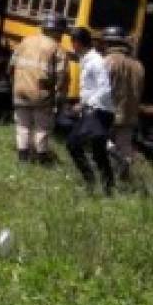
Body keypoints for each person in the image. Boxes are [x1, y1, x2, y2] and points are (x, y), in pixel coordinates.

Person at [7, 13, 68, 164]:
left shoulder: (25, 41)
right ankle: (42, 159)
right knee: (42, 126)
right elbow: (62, 76)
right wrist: (58, 94)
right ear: (57, 31)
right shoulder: (57, 49)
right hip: (42, 93)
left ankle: (23, 158)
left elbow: (11, 66)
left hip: (19, 90)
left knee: (22, 125)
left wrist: (15, 83)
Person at [66, 27, 115, 195]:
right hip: (96, 110)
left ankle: (90, 181)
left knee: (73, 143)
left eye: (73, 43)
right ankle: (108, 187)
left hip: (98, 111)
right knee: (98, 151)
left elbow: (105, 89)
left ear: (77, 43)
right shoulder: (87, 60)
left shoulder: (95, 61)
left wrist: (86, 104)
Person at [101, 28, 145, 177]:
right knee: (125, 145)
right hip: (130, 114)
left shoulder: (107, 62)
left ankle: (113, 166)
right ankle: (123, 176)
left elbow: (101, 88)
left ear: (108, 43)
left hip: (109, 111)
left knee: (100, 140)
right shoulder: (138, 65)